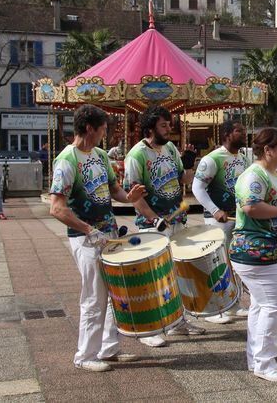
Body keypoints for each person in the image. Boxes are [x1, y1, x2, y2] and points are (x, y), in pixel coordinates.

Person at [49, 104, 144, 372]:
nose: (106, 134)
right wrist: (87, 229)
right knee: (94, 296)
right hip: (86, 237)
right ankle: (85, 355)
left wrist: (129, 198)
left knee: (114, 291)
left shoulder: (101, 155)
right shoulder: (67, 160)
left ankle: (109, 349)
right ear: (89, 128)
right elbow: (57, 207)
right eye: (103, 128)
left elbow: (114, 190)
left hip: (108, 233)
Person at [124, 105, 204, 347]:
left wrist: (189, 164)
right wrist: (153, 218)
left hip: (176, 219)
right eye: (164, 125)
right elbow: (135, 196)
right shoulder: (136, 155)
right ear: (150, 128)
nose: (169, 129)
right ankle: (150, 329)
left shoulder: (169, 148)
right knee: (155, 275)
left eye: (170, 125)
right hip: (153, 224)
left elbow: (184, 181)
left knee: (177, 272)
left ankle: (177, 321)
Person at [229, 127, 277, 382]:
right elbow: (250, 207)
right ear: (267, 149)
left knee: (261, 307)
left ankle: (257, 358)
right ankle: (264, 362)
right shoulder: (254, 175)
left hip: (271, 250)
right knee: (274, 305)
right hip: (257, 250)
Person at [192, 119, 250, 324]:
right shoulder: (212, 159)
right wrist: (215, 210)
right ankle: (216, 309)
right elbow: (197, 188)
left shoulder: (243, 158)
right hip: (218, 221)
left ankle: (233, 304)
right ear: (226, 134)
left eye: (243, 130)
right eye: (238, 131)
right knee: (218, 264)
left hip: (238, 218)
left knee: (235, 262)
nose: (244, 133)